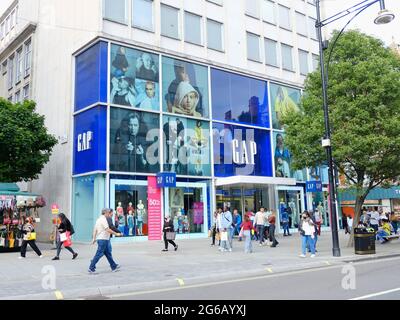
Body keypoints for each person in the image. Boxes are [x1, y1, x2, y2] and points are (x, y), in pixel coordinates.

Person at [88, 208, 122, 274]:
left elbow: (95, 229)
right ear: (105, 213)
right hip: (103, 239)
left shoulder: (98, 219)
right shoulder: (103, 220)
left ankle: (113, 266)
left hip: (102, 239)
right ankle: (91, 268)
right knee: (98, 254)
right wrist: (116, 234)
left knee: (108, 253)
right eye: (108, 213)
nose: (109, 214)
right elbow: (107, 229)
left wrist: (94, 238)